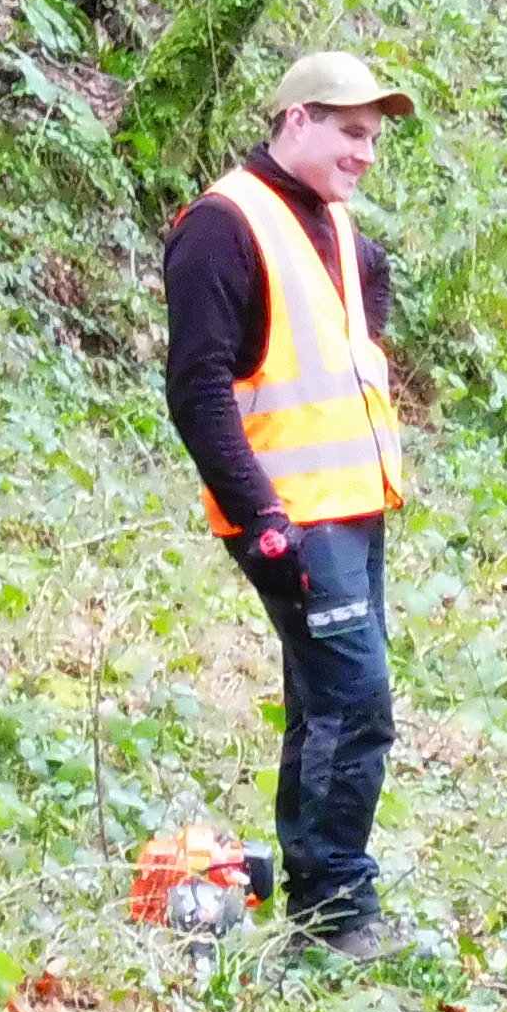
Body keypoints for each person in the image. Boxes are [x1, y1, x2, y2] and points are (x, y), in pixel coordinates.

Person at [164, 50, 413, 959]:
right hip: (291, 517)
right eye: (352, 133)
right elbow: (196, 392)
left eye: (375, 138)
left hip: (352, 508)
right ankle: (337, 910)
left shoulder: (341, 231)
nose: (367, 155)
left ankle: (318, 898)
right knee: (356, 702)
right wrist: (263, 517)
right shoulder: (221, 227)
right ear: (296, 120)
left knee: (328, 703)